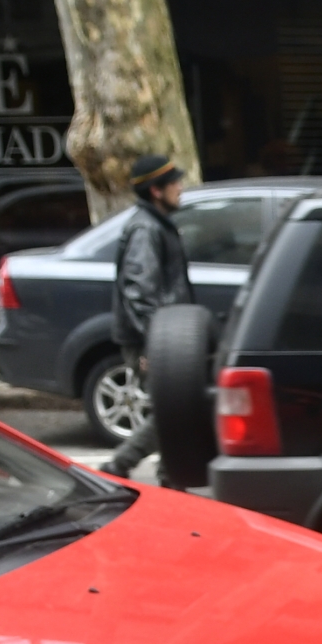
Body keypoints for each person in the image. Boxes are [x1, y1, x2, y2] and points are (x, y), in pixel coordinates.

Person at [106, 153, 193, 481]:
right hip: (154, 340)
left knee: (176, 410)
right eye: (175, 183)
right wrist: (154, 343)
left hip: (162, 337)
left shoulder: (156, 225)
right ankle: (119, 467)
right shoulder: (145, 229)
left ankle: (170, 477)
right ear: (156, 191)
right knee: (173, 412)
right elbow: (139, 292)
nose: (180, 188)